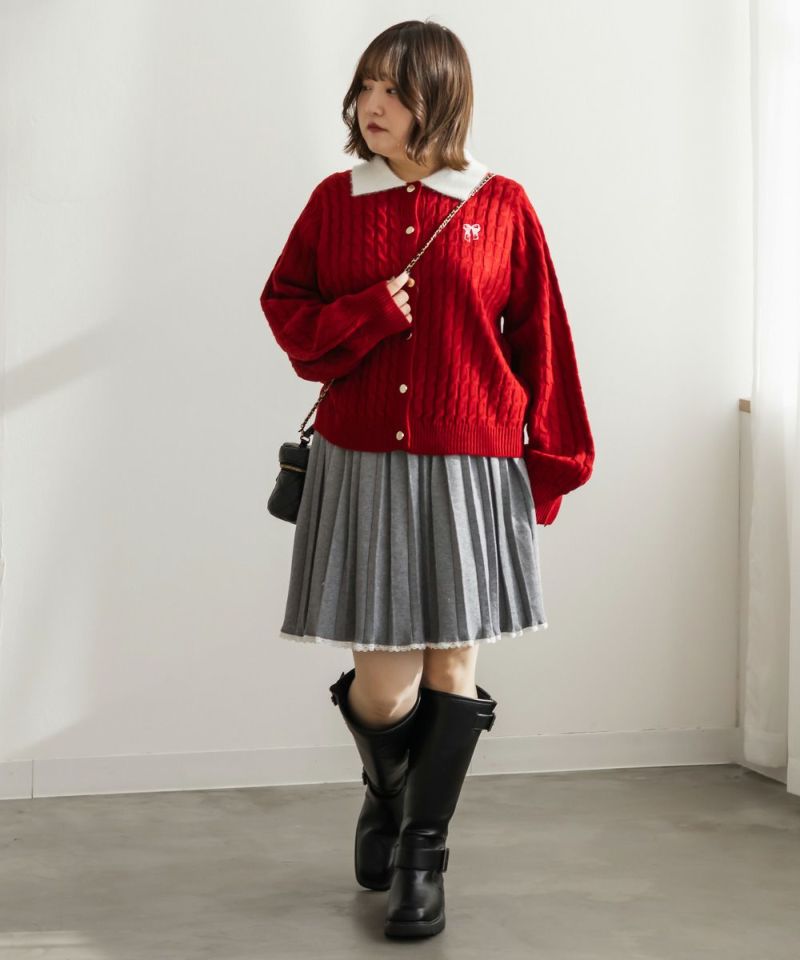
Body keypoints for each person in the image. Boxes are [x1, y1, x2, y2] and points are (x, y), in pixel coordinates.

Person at [259, 18, 595, 940]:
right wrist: (366, 312)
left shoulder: (503, 205)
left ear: (440, 100)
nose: (373, 105)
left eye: (396, 90)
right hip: (364, 464)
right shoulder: (336, 202)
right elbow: (286, 311)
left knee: (454, 665)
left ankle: (422, 855)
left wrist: (551, 464)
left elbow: (543, 343)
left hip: (474, 466)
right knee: (386, 688)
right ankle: (387, 788)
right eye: (366, 85)